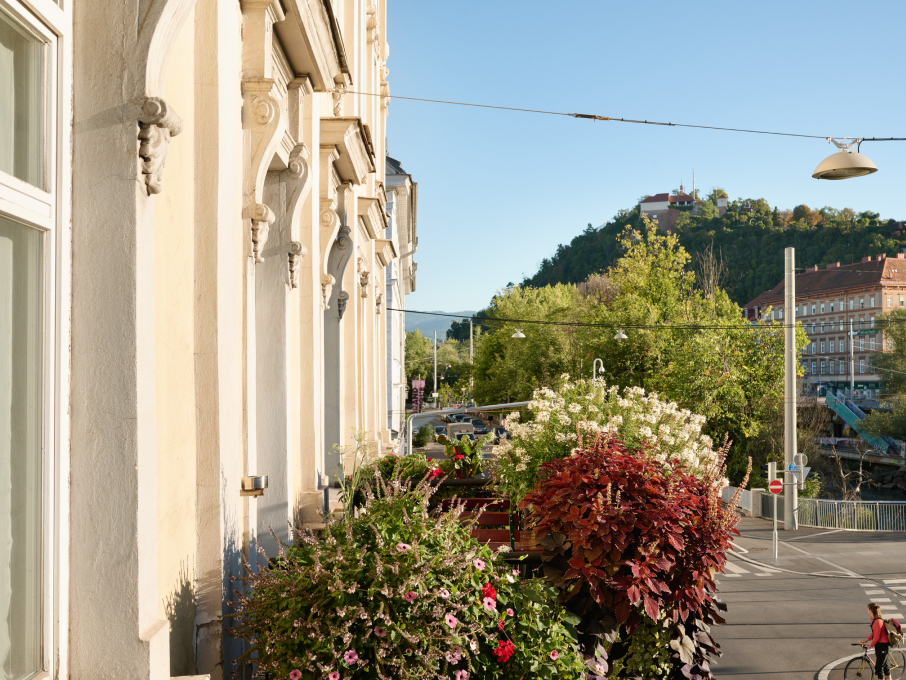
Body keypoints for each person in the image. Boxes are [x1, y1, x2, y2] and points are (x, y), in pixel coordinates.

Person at [858, 602, 891, 680]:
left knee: (879, 668)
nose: (867, 610)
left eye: (868, 609)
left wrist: (870, 645)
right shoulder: (873, 619)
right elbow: (874, 633)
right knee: (885, 667)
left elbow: (876, 637)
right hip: (879, 646)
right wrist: (865, 640)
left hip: (883, 646)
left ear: (871, 610)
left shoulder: (878, 622)